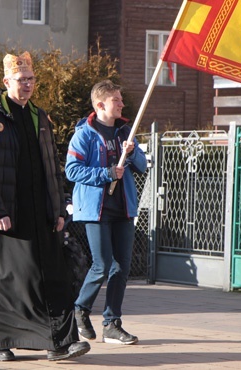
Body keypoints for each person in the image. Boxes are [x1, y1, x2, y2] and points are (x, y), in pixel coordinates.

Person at [0, 51, 90, 362]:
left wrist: (60, 209)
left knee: (53, 277)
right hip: (5, 213)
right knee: (7, 282)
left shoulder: (40, 116)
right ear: (6, 81)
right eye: (21, 80)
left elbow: (52, 168)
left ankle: (60, 343)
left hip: (41, 213)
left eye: (31, 80)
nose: (27, 85)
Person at [64, 80, 147, 345]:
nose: (122, 104)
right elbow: (72, 170)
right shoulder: (84, 134)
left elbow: (143, 166)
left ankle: (112, 324)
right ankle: (80, 309)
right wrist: (106, 174)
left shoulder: (125, 131)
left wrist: (132, 153)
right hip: (95, 210)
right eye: (116, 100)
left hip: (123, 209)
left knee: (121, 268)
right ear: (100, 105)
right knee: (102, 264)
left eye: (121, 99)